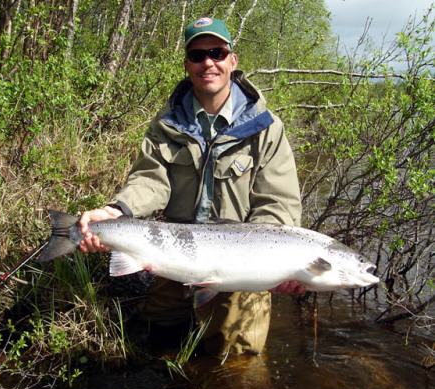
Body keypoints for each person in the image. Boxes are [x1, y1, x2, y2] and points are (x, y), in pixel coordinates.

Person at [79, 17, 304, 355]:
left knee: (237, 364)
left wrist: (275, 267)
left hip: (238, 272)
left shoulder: (267, 129)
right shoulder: (166, 123)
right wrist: (117, 210)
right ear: (187, 64)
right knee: (154, 346)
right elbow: (150, 179)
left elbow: (278, 206)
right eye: (198, 56)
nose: (208, 62)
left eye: (216, 52)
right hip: (173, 254)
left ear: (232, 60)